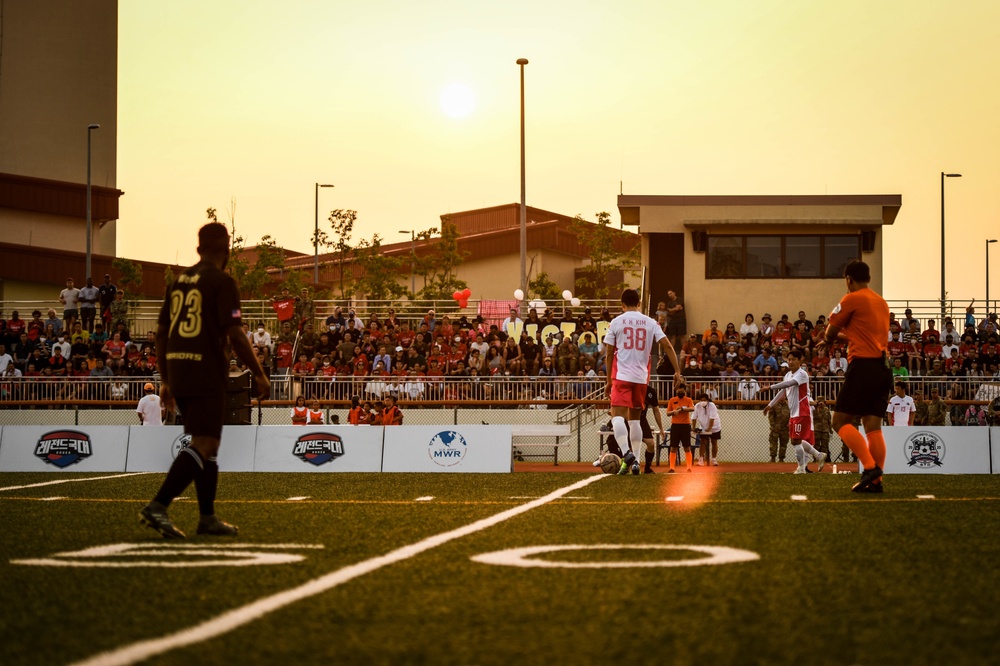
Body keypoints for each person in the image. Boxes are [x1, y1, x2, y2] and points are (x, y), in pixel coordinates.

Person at [139, 222, 270, 539]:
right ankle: (159, 505)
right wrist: (260, 373)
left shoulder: (179, 281)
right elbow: (236, 333)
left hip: (179, 371)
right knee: (206, 442)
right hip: (206, 369)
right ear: (227, 250)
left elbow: (160, 334)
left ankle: (207, 517)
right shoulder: (222, 282)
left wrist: (166, 378)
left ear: (198, 249)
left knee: (206, 446)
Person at [818, 260, 892, 493]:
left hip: (863, 366)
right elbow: (857, 336)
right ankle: (876, 482)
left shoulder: (851, 298)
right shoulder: (881, 303)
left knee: (839, 421)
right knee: (873, 426)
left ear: (848, 279)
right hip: (883, 367)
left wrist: (828, 339)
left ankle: (869, 468)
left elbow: (831, 329)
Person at [603, 288, 681, 475]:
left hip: (621, 376)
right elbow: (668, 345)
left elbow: (608, 354)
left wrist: (608, 380)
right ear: (639, 303)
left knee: (617, 417)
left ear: (622, 304)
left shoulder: (616, 322)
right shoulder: (651, 322)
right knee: (635, 420)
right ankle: (636, 462)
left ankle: (627, 452)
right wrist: (677, 370)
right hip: (641, 378)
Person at [763, 352, 826, 474]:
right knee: (795, 440)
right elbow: (783, 391)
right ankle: (818, 456)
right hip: (794, 413)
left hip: (802, 411)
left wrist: (769, 387)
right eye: (789, 359)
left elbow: (789, 384)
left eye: (793, 359)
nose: (790, 362)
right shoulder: (787, 375)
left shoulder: (802, 374)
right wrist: (770, 405)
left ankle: (801, 468)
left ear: (799, 361)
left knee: (795, 441)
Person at [665, 383, 695, 472]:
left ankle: (689, 467)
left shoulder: (688, 400)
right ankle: (671, 467)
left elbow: (692, 408)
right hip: (675, 426)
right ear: (676, 391)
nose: (680, 392)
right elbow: (667, 413)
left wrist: (682, 409)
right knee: (673, 447)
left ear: (685, 391)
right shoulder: (672, 400)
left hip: (685, 426)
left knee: (687, 447)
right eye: (679, 391)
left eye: (682, 391)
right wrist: (674, 411)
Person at [692, 392, 721, 465]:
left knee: (714, 442)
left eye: (704, 400)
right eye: (701, 400)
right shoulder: (697, 406)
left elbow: (712, 418)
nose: (703, 402)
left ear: (707, 400)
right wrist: (693, 428)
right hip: (704, 427)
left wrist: (709, 428)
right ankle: (701, 459)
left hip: (715, 427)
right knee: (703, 442)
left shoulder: (712, 406)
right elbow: (693, 418)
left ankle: (714, 459)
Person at [766, 397, 790, 464]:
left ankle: (781, 459)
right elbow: (771, 416)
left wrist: (790, 423)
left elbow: (791, 415)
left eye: (783, 396)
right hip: (775, 429)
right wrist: (773, 426)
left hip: (785, 428)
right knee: (773, 443)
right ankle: (773, 458)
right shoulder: (774, 405)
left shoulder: (789, 405)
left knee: (783, 444)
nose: (782, 398)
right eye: (780, 396)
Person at [813, 397, 833, 463]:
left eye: (822, 401)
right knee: (816, 445)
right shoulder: (814, 409)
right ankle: (816, 459)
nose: (821, 403)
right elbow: (815, 417)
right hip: (817, 430)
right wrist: (817, 407)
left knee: (825, 446)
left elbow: (829, 420)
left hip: (825, 430)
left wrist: (830, 430)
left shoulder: (826, 410)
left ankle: (823, 459)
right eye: (819, 401)